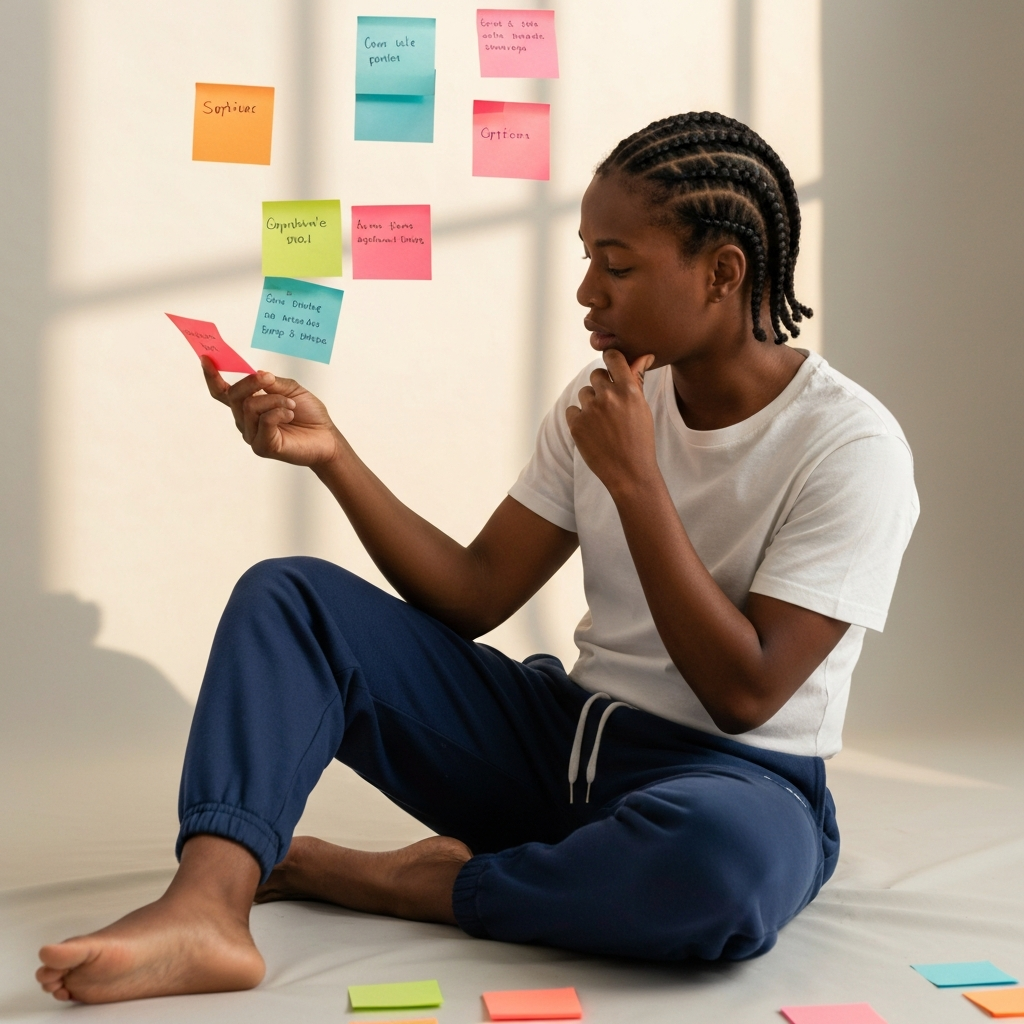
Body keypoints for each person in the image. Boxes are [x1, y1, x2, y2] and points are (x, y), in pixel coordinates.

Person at [36, 111, 918, 1004]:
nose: (585, 291)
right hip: (560, 746)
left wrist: (638, 486)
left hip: (737, 784)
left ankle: (392, 881)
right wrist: (335, 455)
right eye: (585, 259)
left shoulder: (850, 447)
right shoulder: (604, 399)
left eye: (616, 265)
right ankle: (208, 908)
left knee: (720, 874)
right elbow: (473, 594)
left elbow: (747, 694)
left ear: (723, 271)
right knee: (289, 598)